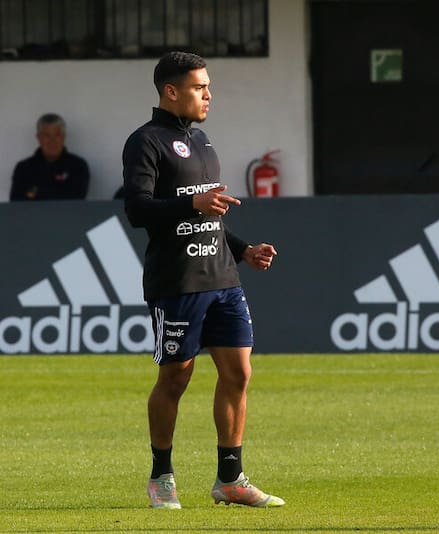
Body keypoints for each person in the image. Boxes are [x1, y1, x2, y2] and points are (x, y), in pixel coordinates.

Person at [122, 51, 284, 510]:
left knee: (239, 373)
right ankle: (161, 476)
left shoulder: (203, 141)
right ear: (171, 91)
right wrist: (191, 206)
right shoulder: (145, 142)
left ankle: (230, 480)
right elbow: (137, 209)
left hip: (224, 279)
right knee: (176, 378)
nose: (209, 94)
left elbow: (209, 215)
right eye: (200, 87)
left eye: (208, 86)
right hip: (177, 283)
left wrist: (243, 250)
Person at [10, 113, 90, 201]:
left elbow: (76, 198)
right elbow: (16, 201)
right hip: (33, 215)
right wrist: (59, 190)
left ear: (64, 137)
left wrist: (35, 190)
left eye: (57, 135)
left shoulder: (78, 166)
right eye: (47, 136)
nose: (52, 141)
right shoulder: (24, 168)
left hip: (67, 215)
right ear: (39, 138)